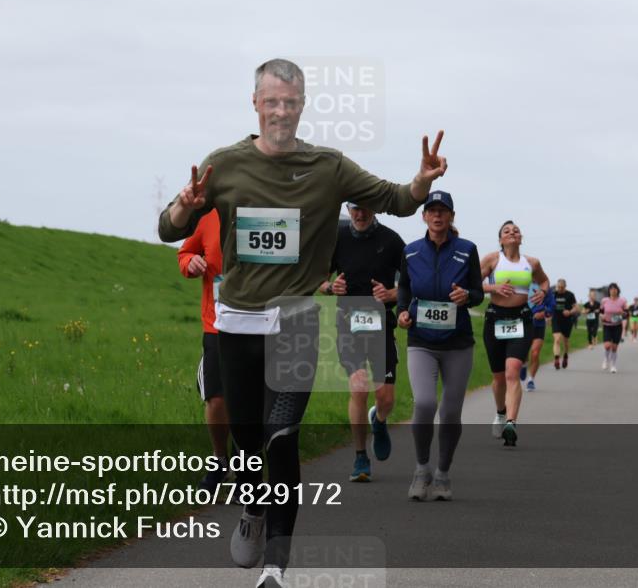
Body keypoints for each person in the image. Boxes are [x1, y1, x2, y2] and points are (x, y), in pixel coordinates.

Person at [158, 58, 447, 588]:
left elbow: (394, 200)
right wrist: (183, 207)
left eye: (290, 102)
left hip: (293, 322)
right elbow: (165, 229)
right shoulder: (225, 163)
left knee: (281, 439)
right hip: (237, 323)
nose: (281, 111)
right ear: (255, 104)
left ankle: (275, 566)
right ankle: (253, 510)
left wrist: (421, 183)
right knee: (247, 447)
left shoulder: (328, 167)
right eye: (272, 101)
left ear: (303, 105)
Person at [396, 191, 483, 500]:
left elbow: (478, 292)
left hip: (457, 342)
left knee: (449, 412)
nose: (437, 215)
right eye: (431, 210)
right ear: (424, 217)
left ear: (451, 216)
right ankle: (421, 469)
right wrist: (402, 312)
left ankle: (443, 474)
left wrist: (467, 297)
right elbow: (404, 288)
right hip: (421, 340)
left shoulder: (466, 249)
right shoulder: (411, 252)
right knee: (423, 404)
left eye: (442, 211)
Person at [321, 202, 405, 482]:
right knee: (358, 385)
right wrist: (331, 287)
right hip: (348, 322)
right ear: (348, 208)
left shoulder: (391, 240)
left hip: (382, 325)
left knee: (386, 397)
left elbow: (412, 281)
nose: (360, 214)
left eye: (366, 208)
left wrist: (391, 294)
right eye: (355, 208)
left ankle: (379, 421)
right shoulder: (338, 238)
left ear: (375, 209)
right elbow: (318, 278)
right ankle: (360, 457)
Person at [480, 221, 549, 447]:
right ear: (500, 239)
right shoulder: (492, 259)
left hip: (521, 319)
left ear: (521, 237)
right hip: (494, 319)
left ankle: (511, 422)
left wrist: (543, 292)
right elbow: (471, 283)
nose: (512, 233)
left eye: (516, 230)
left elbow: (544, 281)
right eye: (507, 231)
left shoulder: (532, 262)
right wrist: (493, 288)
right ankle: (500, 412)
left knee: (512, 371)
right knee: (499, 377)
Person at [177, 208, 231, 492]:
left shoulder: (265, 207)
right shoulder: (208, 217)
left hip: (261, 321)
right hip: (217, 323)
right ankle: (220, 460)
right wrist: (192, 262)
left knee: (253, 401)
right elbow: (184, 254)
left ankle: (249, 467)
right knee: (217, 399)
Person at [525, 282, 555, 391]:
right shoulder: (522, 283)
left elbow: (552, 305)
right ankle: (524, 365)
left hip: (538, 324)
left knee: (535, 352)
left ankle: (531, 380)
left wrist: (545, 313)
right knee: (523, 354)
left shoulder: (544, 287)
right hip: (523, 323)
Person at [551, 279, 579, 369]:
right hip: (556, 319)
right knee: (557, 339)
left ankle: (566, 356)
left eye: (561, 287)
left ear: (565, 287)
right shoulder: (553, 294)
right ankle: (556, 359)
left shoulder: (570, 295)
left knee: (565, 341)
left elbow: (576, 308)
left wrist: (570, 312)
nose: (559, 289)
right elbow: (548, 305)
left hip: (567, 320)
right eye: (558, 287)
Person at [600, 283, 628, 373]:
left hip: (617, 326)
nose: (613, 290)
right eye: (611, 289)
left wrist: (622, 313)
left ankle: (613, 366)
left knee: (614, 348)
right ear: (609, 291)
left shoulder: (622, 301)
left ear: (617, 290)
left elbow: (627, 313)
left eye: (615, 289)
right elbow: (600, 311)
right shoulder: (604, 300)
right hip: (607, 325)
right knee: (607, 346)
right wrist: (602, 316)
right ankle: (606, 359)